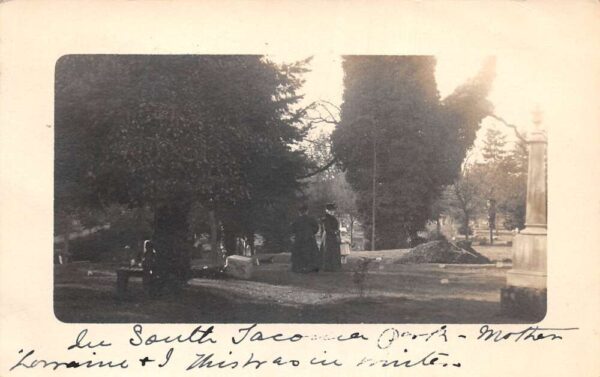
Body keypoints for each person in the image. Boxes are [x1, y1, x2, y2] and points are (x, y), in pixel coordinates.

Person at [290, 204, 320, 273]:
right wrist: (312, 232)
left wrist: (296, 234)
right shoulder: (311, 219)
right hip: (309, 239)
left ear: (299, 212)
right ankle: (310, 267)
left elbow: (292, 229)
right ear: (307, 211)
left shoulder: (297, 220)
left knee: (299, 253)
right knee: (310, 253)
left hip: (299, 239)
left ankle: (299, 268)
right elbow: (316, 228)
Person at [320, 203, 342, 272]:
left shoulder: (333, 218)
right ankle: (328, 266)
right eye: (330, 210)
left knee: (334, 251)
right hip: (328, 236)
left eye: (333, 210)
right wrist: (335, 232)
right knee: (328, 251)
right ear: (327, 210)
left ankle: (334, 266)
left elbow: (336, 227)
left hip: (333, 236)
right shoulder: (326, 218)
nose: (332, 211)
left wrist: (337, 232)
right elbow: (327, 228)